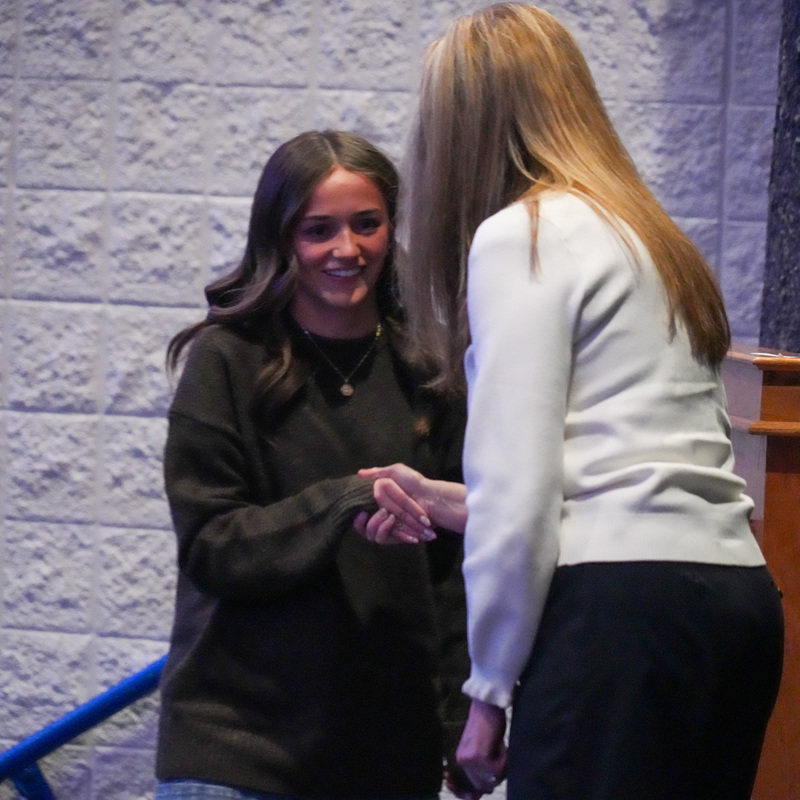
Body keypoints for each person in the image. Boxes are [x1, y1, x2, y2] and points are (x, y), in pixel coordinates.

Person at [359, 5, 785, 800]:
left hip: (620, 623)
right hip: (736, 604)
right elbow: (624, 469)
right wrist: (450, 502)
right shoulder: (651, 237)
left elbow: (522, 494)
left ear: (463, 130)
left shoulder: (521, 236)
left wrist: (488, 690)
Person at [154, 130, 470, 800]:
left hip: (388, 758)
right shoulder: (226, 359)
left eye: (367, 224)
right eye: (318, 229)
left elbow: (453, 577)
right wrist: (345, 501)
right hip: (238, 753)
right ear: (280, 238)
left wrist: (463, 719)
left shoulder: (432, 372)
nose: (346, 249)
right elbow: (212, 545)